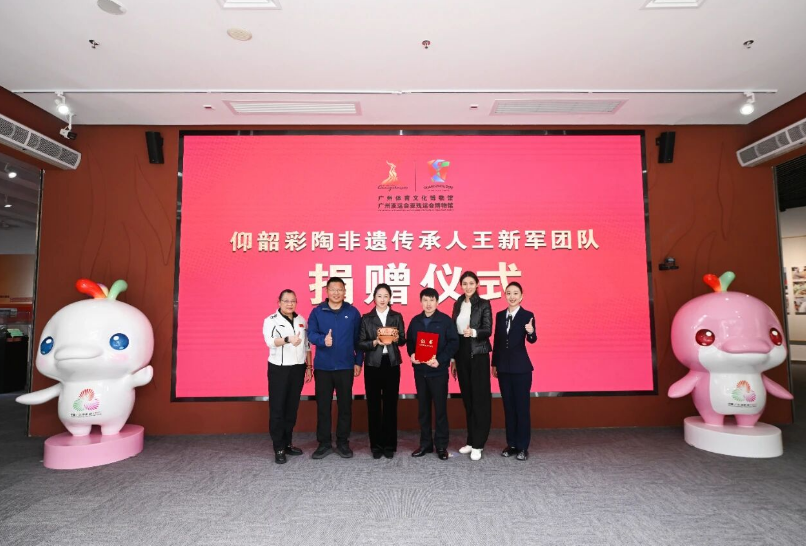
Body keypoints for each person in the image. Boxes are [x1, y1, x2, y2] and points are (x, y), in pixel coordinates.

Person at [307, 277, 363, 459]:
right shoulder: (317, 312)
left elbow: (359, 339)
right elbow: (310, 334)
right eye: (333, 289)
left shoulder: (352, 312)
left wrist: (358, 361)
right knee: (323, 406)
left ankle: (343, 442)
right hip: (323, 367)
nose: (336, 293)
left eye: (340, 289)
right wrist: (323, 340)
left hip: (346, 366)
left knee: (345, 406)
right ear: (327, 291)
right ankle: (324, 443)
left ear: (345, 292)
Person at [407, 287, 459, 460]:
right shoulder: (415, 321)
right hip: (420, 372)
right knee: (423, 410)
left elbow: (454, 343)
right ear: (421, 302)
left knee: (440, 409)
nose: (428, 304)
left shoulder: (445, 321)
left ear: (437, 302)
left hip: (438, 372)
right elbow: (410, 342)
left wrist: (441, 360)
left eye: (432, 300)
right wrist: (412, 354)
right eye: (425, 300)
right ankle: (425, 444)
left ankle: (441, 445)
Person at [263, 289, 313, 464]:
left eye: (293, 301)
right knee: (278, 409)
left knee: (292, 408)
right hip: (279, 369)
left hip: (297, 368)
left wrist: (309, 366)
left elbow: (307, 346)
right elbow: (270, 342)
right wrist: (287, 339)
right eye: (286, 301)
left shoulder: (301, 320)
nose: (290, 304)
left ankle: (288, 443)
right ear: (279, 302)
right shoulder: (271, 320)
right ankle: (278, 447)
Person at [357, 283, 407, 459]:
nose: (383, 299)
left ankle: (390, 444)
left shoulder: (396, 316)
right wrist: (374, 342)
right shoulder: (367, 318)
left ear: (390, 298)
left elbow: (403, 341)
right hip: (373, 364)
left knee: (391, 404)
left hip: (392, 363)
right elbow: (360, 343)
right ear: (374, 298)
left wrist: (397, 338)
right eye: (379, 296)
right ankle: (376, 445)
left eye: (386, 296)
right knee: (373, 405)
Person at [491, 282, 537, 461]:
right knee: (508, 407)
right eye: (509, 293)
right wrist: (494, 364)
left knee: (522, 408)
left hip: (521, 369)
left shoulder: (527, 315)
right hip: (503, 369)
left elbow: (532, 339)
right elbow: (497, 341)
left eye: (515, 293)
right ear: (505, 295)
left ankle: (523, 446)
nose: (512, 296)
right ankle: (511, 444)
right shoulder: (500, 315)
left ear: (521, 296)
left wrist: (531, 332)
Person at [450, 271, 493, 461]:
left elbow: (488, 329)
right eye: (464, 283)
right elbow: (454, 331)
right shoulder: (458, 303)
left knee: (479, 399)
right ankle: (471, 440)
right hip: (461, 351)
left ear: (477, 284)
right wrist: (453, 359)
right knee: (467, 398)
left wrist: (474, 332)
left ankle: (479, 444)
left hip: (478, 353)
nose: (468, 287)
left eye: (471, 283)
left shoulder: (484, 304)